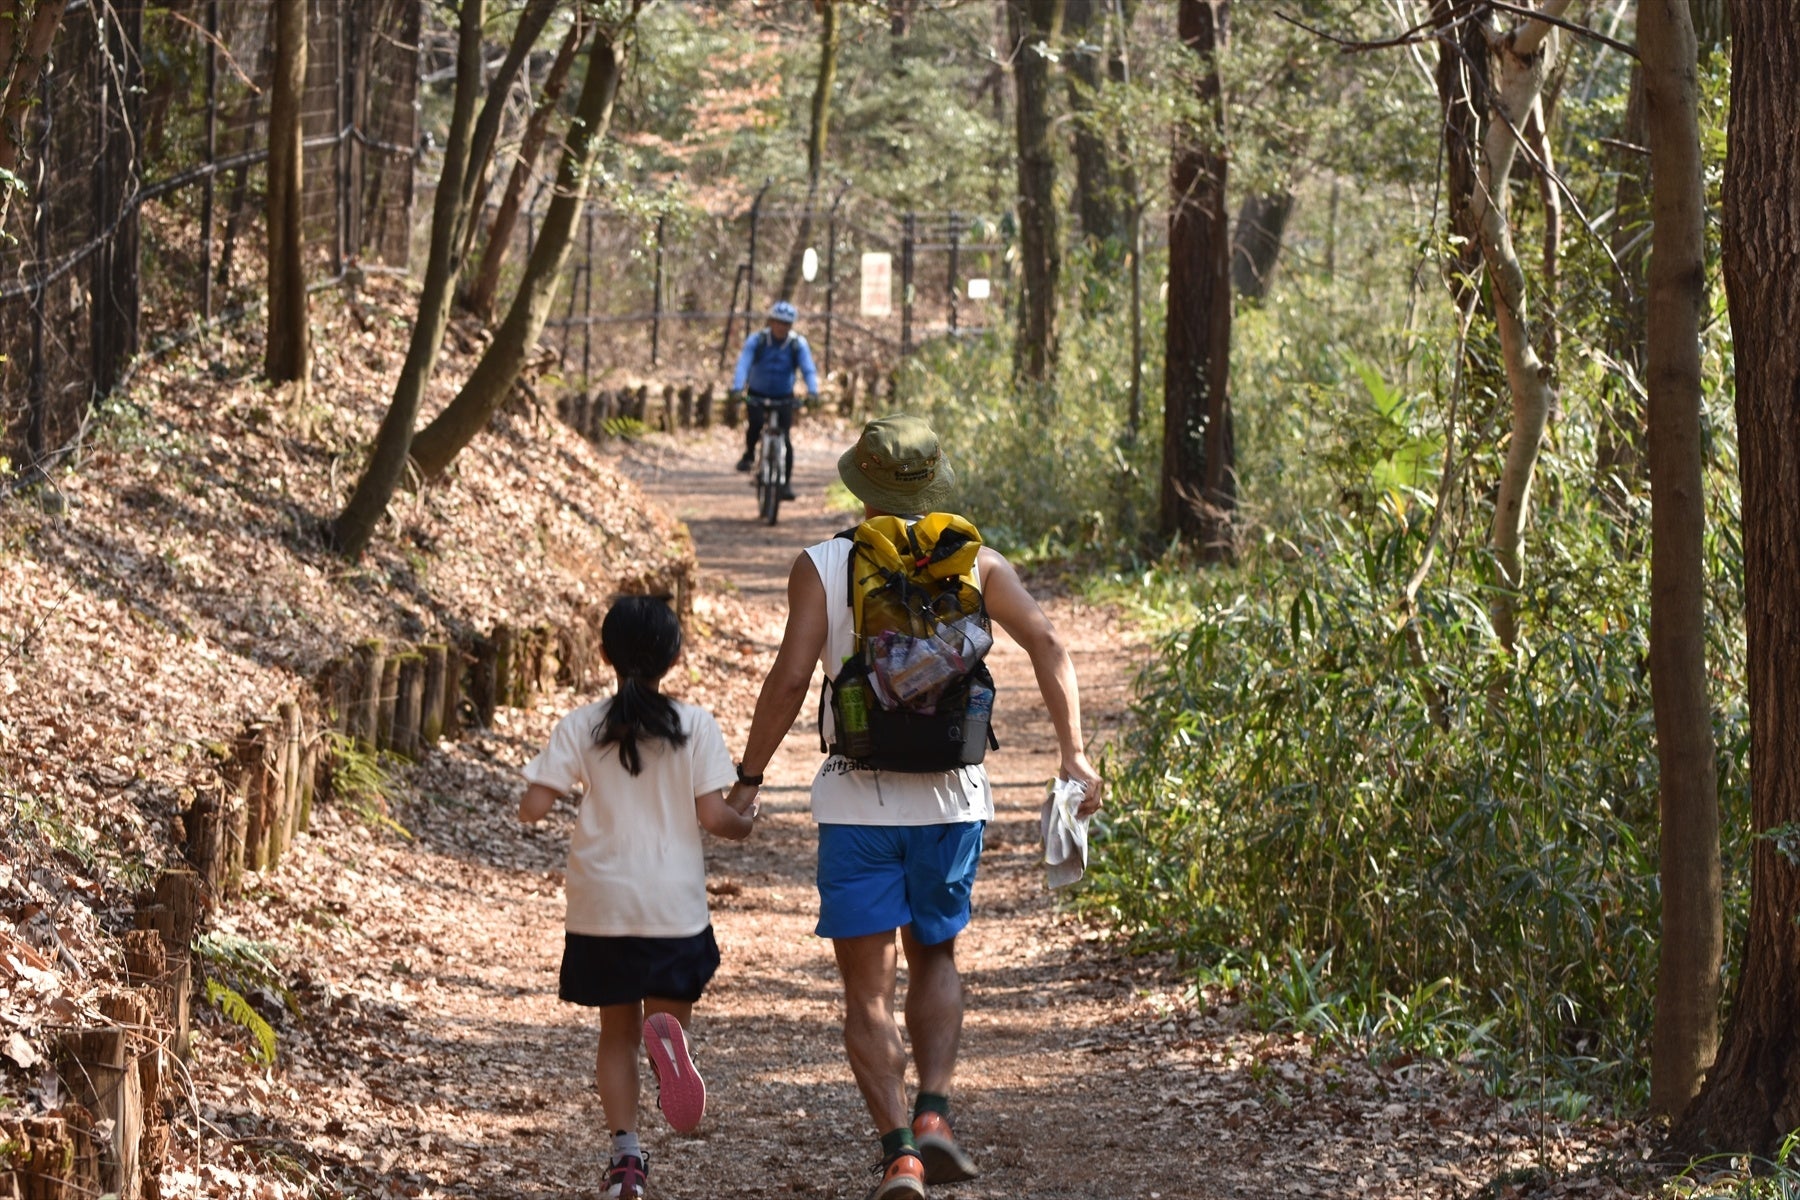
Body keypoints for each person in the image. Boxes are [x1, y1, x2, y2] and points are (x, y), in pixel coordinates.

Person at [725, 415, 1104, 1199]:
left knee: (864, 993)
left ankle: (899, 1155)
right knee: (936, 956)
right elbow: (1050, 646)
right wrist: (1072, 754)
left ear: (858, 483)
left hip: (855, 807)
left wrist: (750, 778)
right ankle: (934, 1114)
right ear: (933, 483)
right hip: (953, 801)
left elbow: (793, 680)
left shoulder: (824, 565)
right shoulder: (978, 563)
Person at [518, 595, 757, 1200]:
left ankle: (627, 1160)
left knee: (613, 1033)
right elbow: (714, 817)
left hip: (602, 906)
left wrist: (544, 792)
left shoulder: (582, 724)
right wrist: (745, 820)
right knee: (662, 1017)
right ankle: (669, 1042)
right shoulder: (694, 724)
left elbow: (532, 809)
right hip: (672, 905)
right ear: (674, 658)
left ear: (604, 653)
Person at [730, 299, 820, 500]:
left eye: (786, 324)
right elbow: (743, 364)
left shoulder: (797, 344)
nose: (781, 327)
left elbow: (808, 369)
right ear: (771, 322)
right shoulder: (757, 340)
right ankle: (749, 454)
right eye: (778, 322)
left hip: (783, 397)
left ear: (791, 326)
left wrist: (813, 391)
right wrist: (737, 388)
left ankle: (785, 484)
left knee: (785, 440)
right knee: (755, 425)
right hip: (757, 393)